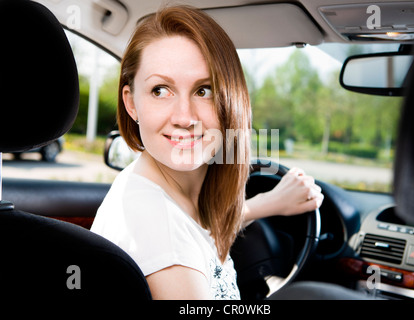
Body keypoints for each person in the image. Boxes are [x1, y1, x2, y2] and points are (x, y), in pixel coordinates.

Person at [91, 5, 323, 300]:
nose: (185, 117)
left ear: (231, 99)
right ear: (131, 103)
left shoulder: (154, 189)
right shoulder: (158, 228)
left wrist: (267, 203)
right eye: (161, 90)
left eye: (204, 90)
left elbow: (199, 228)